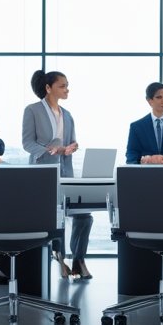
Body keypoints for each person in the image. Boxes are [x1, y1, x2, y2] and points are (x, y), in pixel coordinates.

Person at [22, 69, 94, 280]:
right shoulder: (32, 110)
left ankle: (78, 260)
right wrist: (48, 151)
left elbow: (71, 142)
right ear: (48, 88)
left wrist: (72, 146)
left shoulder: (68, 115)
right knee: (57, 218)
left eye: (66, 85)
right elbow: (28, 143)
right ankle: (60, 257)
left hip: (66, 174)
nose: (66, 89)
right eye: (62, 85)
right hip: (42, 175)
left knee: (84, 217)